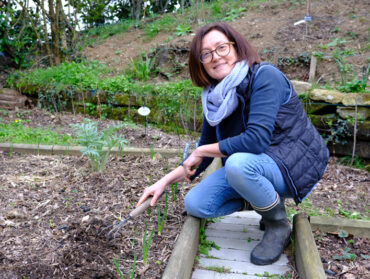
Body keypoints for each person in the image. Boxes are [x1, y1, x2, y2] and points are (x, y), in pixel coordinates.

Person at [137, 22, 329, 265]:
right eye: (206, 54)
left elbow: (256, 140)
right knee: (195, 204)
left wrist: (201, 150)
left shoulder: (265, 77)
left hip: (293, 164)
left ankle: (277, 224)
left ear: (236, 48)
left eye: (222, 48)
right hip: (256, 165)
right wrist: (163, 182)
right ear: (200, 63)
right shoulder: (214, 97)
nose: (215, 57)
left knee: (237, 164)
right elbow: (205, 150)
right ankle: (261, 197)